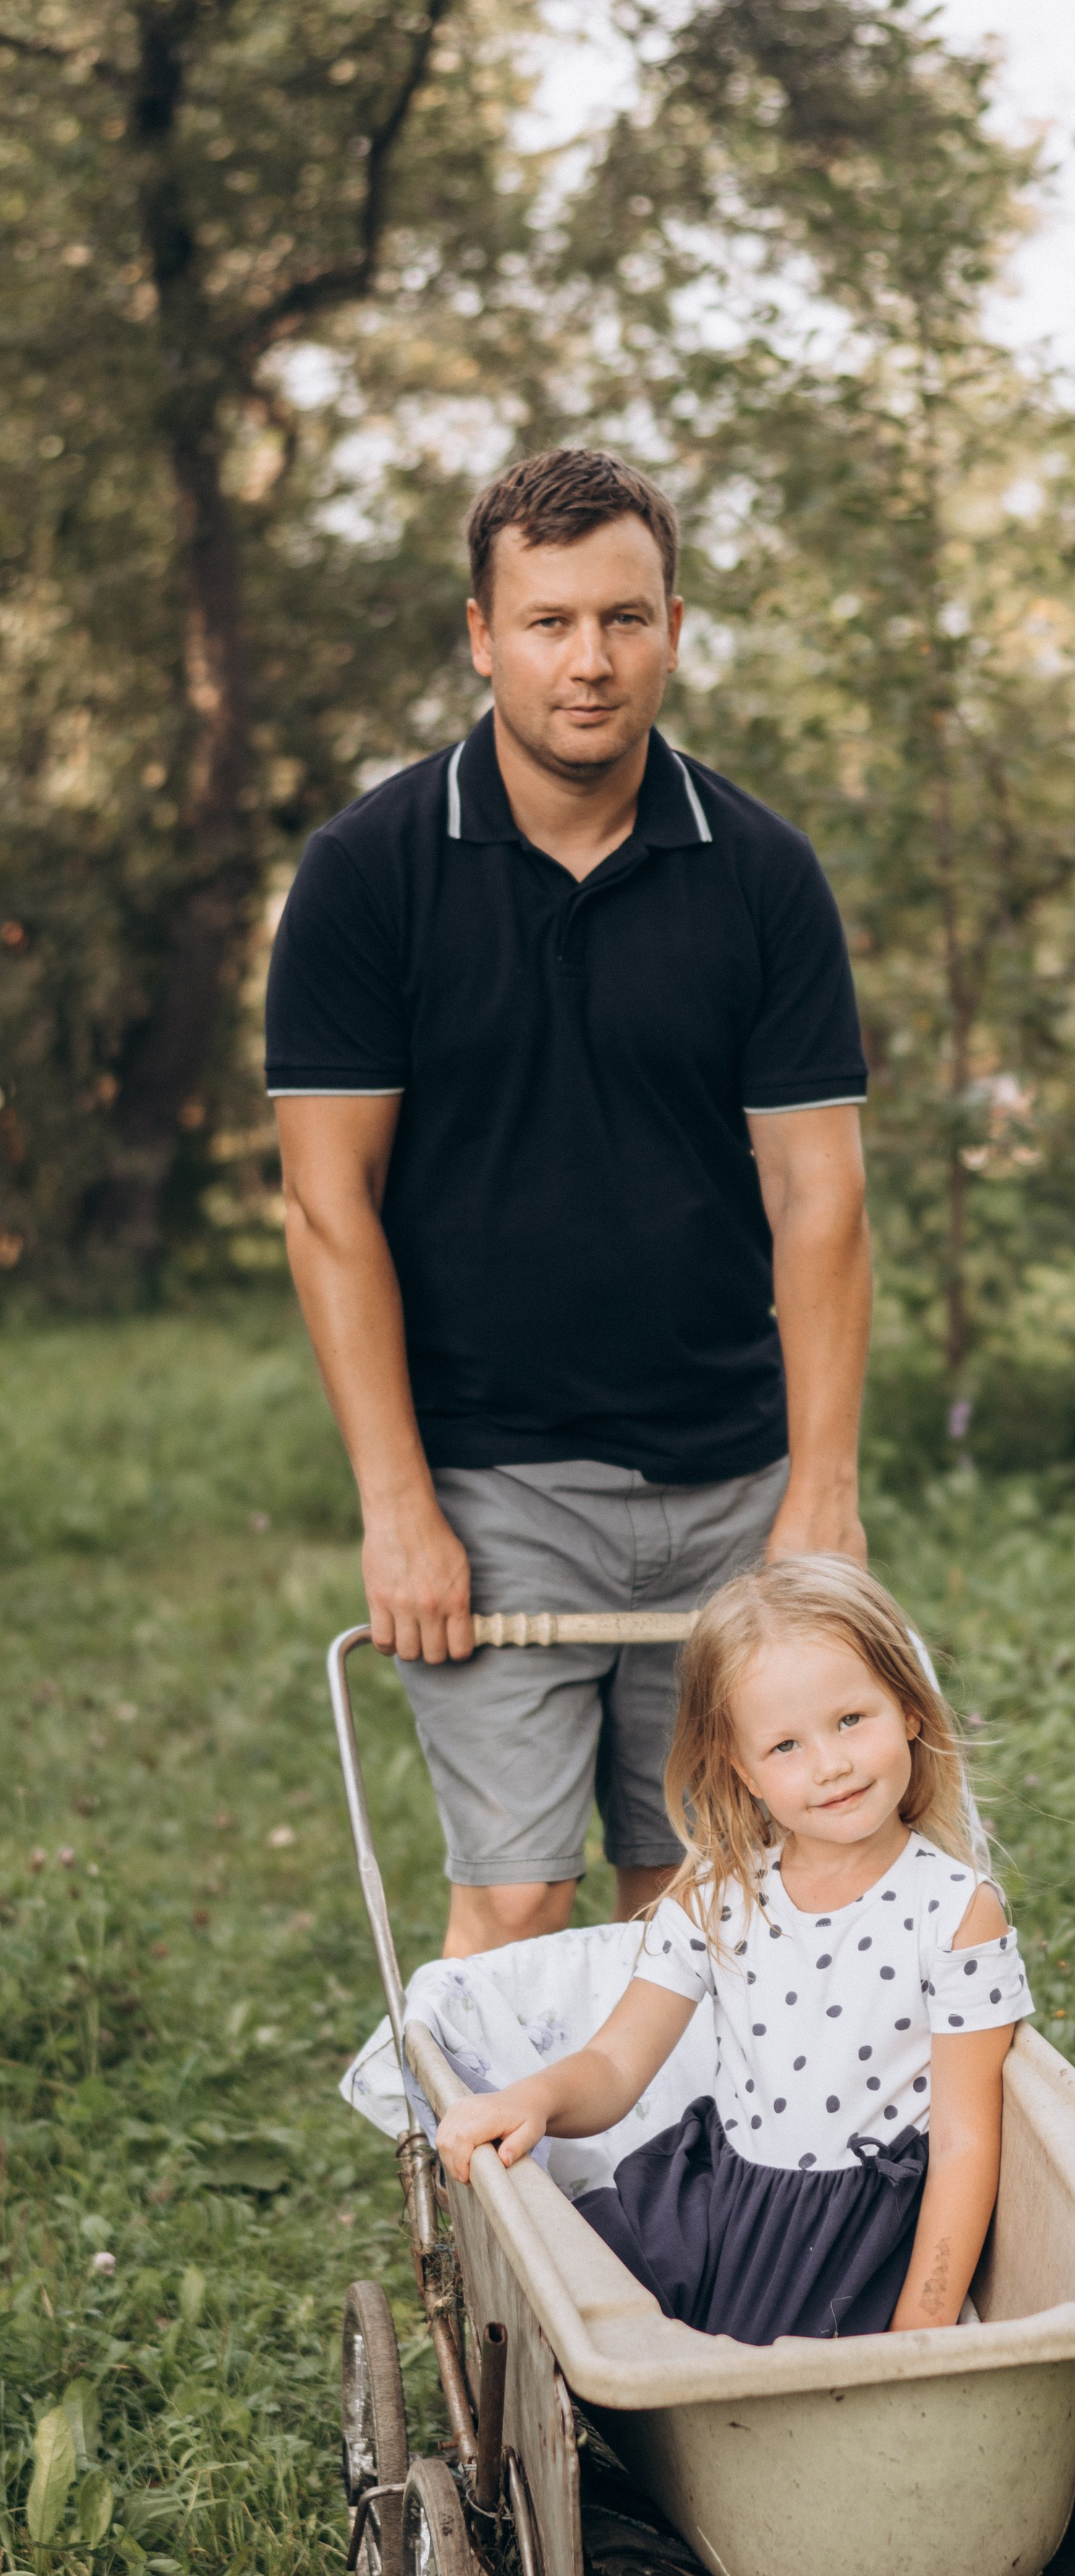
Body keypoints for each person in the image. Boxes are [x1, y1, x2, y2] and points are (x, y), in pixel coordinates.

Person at [267, 448, 872, 1958]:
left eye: (620, 618)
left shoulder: (762, 874)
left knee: (701, 1895)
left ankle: (665, 2198)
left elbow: (821, 1195)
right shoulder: (367, 874)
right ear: (481, 633)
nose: (586, 661)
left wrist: (822, 1491)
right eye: (546, 623)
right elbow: (325, 1201)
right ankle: (483, 2199)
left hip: (731, 1471)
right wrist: (398, 1504)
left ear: (675, 624)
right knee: (522, 1896)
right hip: (492, 1475)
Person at [434, 1558, 1034, 2344]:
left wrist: (923, 2316)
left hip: (851, 2239)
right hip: (716, 2209)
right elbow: (617, 2065)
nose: (832, 1764)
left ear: (910, 1710)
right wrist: (536, 2098)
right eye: (785, 1744)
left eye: (853, 1719)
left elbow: (963, 2139)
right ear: (740, 1768)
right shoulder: (720, 1898)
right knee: (569, 2294)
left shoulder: (955, 1910)